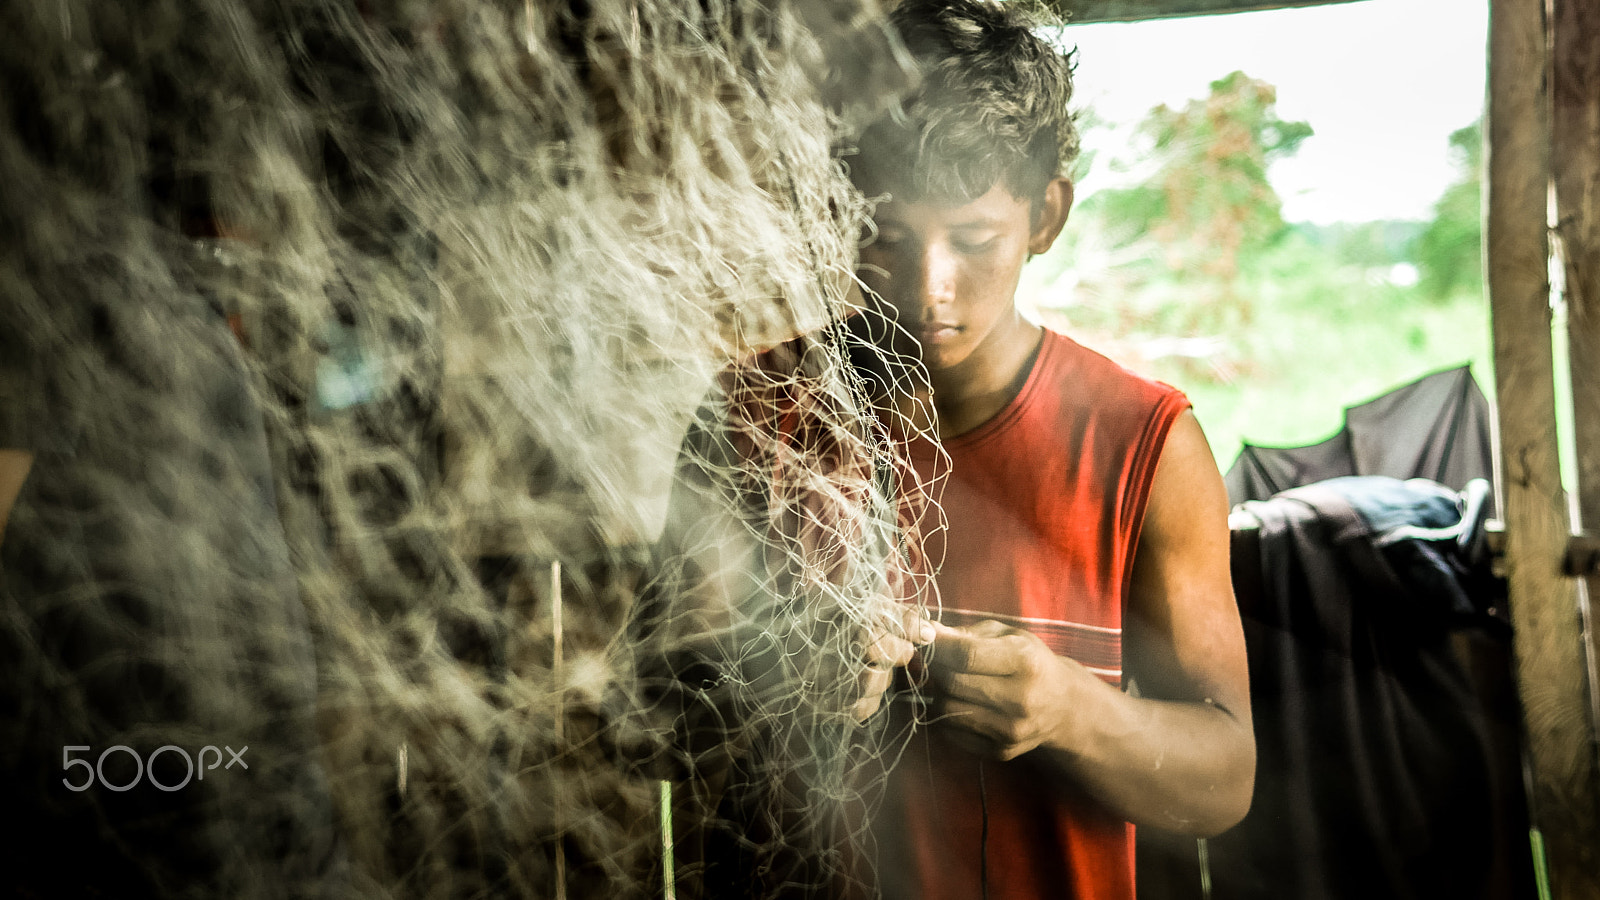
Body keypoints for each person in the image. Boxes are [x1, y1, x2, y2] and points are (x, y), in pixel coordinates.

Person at [845, 2, 1255, 898]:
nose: (929, 288)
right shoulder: (763, 417)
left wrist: (1072, 711)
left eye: (975, 239)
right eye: (888, 237)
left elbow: (1226, 779)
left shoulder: (1144, 444)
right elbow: (643, 726)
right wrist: (783, 670)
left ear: (1046, 216)